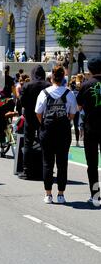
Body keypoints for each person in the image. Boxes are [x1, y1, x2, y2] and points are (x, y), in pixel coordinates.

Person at [35, 66, 78, 204]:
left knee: (47, 163)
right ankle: (61, 194)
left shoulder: (44, 93)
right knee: (62, 163)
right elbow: (72, 113)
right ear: (63, 78)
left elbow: (38, 112)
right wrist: (66, 121)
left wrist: (44, 123)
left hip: (47, 131)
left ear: (52, 78)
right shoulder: (69, 93)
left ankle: (48, 194)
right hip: (63, 132)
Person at [77, 57, 101, 207]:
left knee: (92, 165)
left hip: (91, 128)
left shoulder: (86, 85)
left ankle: (96, 196)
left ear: (90, 70)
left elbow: (78, 107)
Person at [19, 66, 50, 180]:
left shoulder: (27, 85)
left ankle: (26, 171)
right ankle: (44, 169)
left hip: (30, 117)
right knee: (44, 144)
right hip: (44, 117)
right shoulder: (48, 86)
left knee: (28, 143)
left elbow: (22, 102)